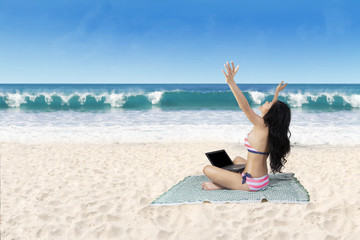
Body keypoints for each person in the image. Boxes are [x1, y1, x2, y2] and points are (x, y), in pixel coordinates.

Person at [201, 61, 291, 191]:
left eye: (269, 102)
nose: (267, 100)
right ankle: (229, 179)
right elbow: (276, 109)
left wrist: (231, 82)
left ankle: (223, 185)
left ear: (271, 112)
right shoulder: (271, 127)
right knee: (237, 159)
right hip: (262, 178)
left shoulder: (261, 124)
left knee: (207, 169)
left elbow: (244, 106)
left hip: (251, 182)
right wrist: (277, 91)